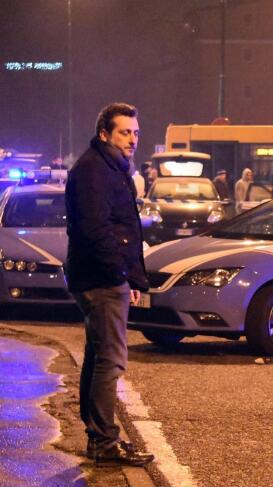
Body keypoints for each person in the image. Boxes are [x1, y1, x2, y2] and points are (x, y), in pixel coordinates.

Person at [64, 102, 154, 466]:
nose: (132, 139)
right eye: (124, 132)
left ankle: (97, 433)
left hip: (103, 275)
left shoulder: (109, 167)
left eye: (135, 132)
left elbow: (119, 229)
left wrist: (129, 276)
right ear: (105, 133)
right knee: (111, 359)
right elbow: (97, 230)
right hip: (100, 278)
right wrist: (120, 273)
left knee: (99, 355)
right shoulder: (93, 171)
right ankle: (103, 440)